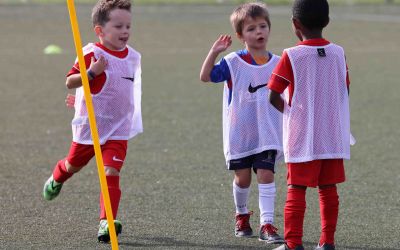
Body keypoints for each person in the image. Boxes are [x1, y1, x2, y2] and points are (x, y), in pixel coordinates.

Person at [42, 0, 142, 243]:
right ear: (100, 30)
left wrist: (84, 98)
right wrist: (91, 74)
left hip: (118, 128)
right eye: (118, 26)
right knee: (73, 166)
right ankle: (57, 177)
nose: (125, 31)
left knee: (111, 170)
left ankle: (105, 222)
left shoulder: (134, 57)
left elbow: (121, 91)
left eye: (128, 26)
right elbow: (71, 82)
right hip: (90, 128)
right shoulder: (91, 54)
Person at [268, 0, 351, 249]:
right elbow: (345, 88)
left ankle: (293, 243)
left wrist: (292, 112)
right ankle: (327, 241)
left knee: (297, 187)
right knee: (329, 188)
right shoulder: (338, 52)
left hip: (302, 133)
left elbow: (273, 94)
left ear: (295, 24)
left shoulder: (291, 55)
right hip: (332, 132)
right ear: (326, 22)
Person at [199, 2, 284, 244]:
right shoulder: (233, 62)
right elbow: (205, 77)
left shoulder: (278, 62)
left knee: (266, 174)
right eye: (251, 29)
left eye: (263, 26)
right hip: (240, 134)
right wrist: (214, 52)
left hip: (267, 132)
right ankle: (241, 214)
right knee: (243, 179)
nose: (259, 32)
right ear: (240, 35)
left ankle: (267, 223)